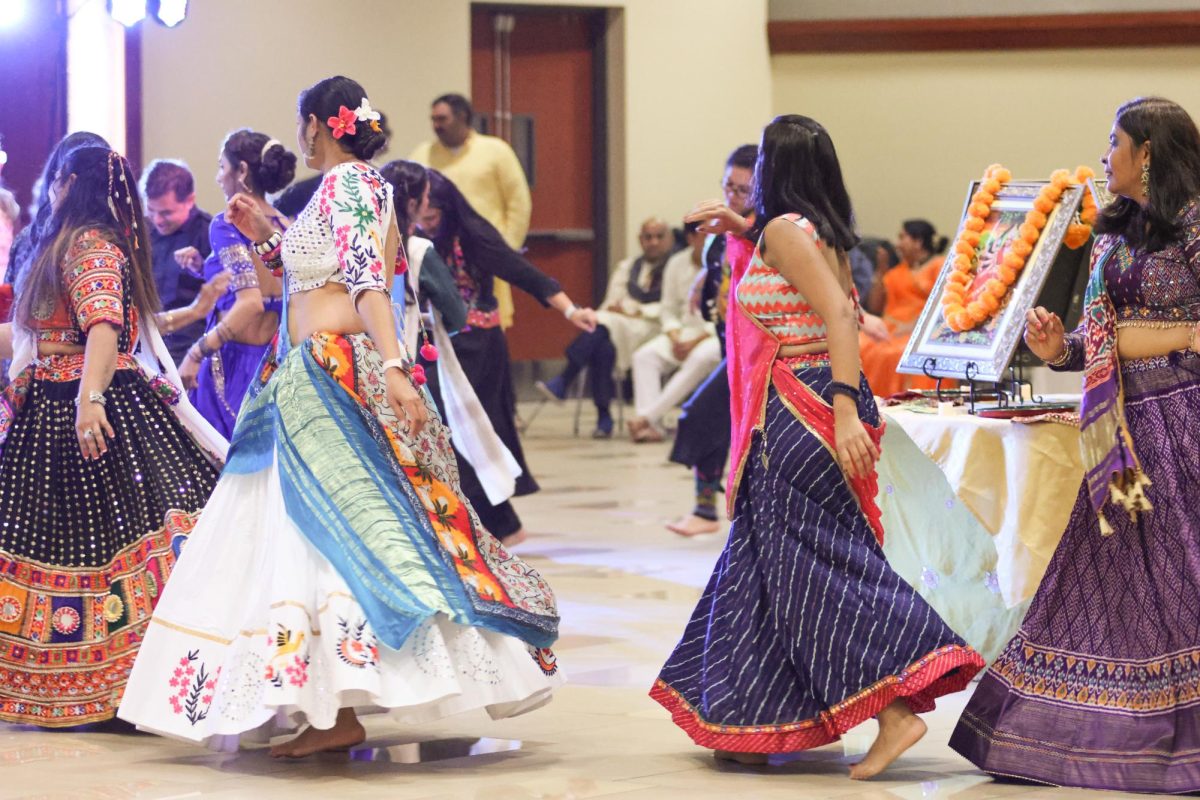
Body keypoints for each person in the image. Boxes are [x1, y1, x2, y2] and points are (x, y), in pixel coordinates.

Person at [117, 76, 563, 757]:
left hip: (330, 368)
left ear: (319, 125)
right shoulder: (342, 191)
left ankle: (335, 712)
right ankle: (326, 708)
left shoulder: (352, 185)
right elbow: (303, 279)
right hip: (305, 369)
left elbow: (364, 280)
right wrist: (266, 234)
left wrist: (392, 364)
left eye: (303, 123)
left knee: (318, 530)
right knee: (298, 528)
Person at [652, 115, 984, 779]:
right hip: (809, 402)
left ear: (775, 170)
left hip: (802, 408)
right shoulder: (811, 230)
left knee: (813, 570)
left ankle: (894, 713)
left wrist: (839, 410)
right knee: (766, 563)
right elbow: (807, 288)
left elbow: (837, 315)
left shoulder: (784, 230)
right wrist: (742, 229)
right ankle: (750, 716)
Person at [951, 96, 1200, 794]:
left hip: (1185, 426)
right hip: (1120, 438)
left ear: (1147, 151)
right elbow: (1103, 340)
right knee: (1103, 587)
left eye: (1113, 141)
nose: (1104, 152)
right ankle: (1066, 732)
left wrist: (1171, 338)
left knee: (1185, 584)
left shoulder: (1196, 223)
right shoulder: (1114, 230)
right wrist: (1060, 349)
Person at [0, 146, 226, 727]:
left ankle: (118, 686)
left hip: (85, 412)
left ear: (67, 183)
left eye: (54, 181)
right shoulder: (71, 243)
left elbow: (103, 326)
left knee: (102, 546)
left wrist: (89, 400)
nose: (47, 191)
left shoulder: (90, 245)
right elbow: (37, 336)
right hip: (56, 407)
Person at [418, 170, 596, 543]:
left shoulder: (473, 236)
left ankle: (497, 526)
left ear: (447, 211)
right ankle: (498, 525)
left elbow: (524, 273)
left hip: (478, 347)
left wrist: (570, 311)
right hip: (439, 347)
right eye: (418, 215)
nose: (424, 223)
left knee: (474, 432)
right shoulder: (414, 236)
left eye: (431, 217)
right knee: (450, 432)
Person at [665, 144, 756, 536]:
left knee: (701, 414)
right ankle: (706, 510)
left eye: (742, 190)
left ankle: (709, 512)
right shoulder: (721, 233)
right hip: (729, 348)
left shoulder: (771, 234)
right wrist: (704, 281)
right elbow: (718, 267)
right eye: (728, 187)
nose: (732, 197)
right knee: (720, 425)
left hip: (755, 356)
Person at [182, 129, 294, 436]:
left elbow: (249, 302)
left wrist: (196, 353)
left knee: (215, 471)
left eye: (222, 167)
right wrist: (202, 266)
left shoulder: (228, 222)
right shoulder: (287, 225)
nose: (218, 177)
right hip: (271, 367)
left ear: (241, 170)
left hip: (228, 366)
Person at [537, 218, 673, 438]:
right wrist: (623, 310)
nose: (653, 242)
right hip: (619, 325)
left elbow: (671, 306)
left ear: (669, 239)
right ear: (640, 240)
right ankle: (603, 416)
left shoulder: (674, 266)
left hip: (652, 327)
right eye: (648, 237)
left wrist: (636, 312)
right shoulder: (628, 267)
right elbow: (611, 302)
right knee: (603, 346)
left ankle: (566, 379)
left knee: (601, 328)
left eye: (659, 237)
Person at [410, 93, 530, 330]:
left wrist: (503, 248)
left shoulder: (496, 151)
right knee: (441, 326)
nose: (436, 125)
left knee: (489, 324)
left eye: (442, 118)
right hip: (438, 257)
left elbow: (519, 203)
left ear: (462, 116)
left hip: (484, 254)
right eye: (433, 119)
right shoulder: (422, 155)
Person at [626, 220, 720, 443]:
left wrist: (695, 340)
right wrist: (674, 335)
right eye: (704, 233)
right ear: (691, 238)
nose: (711, 239)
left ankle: (646, 418)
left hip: (713, 334)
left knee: (700, 357)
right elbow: (667, 309)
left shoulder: (725, 261)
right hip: (683, 331)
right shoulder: (676, 263)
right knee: (644, 356)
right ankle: (653, 427)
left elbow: (725, 313)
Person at [857, 220, 947, 397]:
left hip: (921, 331)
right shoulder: (896, 271)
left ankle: (898, 401)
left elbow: (943, 304)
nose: (897, 244)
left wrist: (916, 327)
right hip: (888, 329)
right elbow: (875, 307)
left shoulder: (939, 266)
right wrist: (880, 272)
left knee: (895, 353)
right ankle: (869, 403)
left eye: (902, 237)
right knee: (860, 344)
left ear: (918, 241)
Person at [140, 159, 213, 365]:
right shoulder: (142, 231)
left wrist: (202, 268)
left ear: (190, 200)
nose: (157, 220)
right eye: (151, 210)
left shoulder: (209, 233)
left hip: (188, 350)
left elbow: (225, 298)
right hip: (147, 342)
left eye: (166, 212)